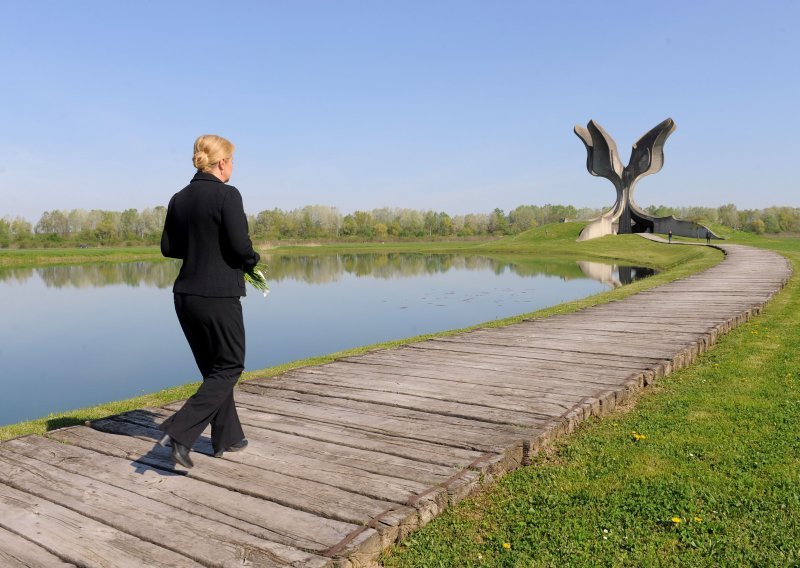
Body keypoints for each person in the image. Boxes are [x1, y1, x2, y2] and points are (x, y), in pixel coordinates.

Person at [158, 134, 260, 468]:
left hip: (185, 295)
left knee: (214, 371)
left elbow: (169, 248)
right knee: (230, 365)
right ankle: (181, 430)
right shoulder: (227, 195)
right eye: (232, 161)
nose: (233, 167)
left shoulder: (178, 198)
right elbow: (241, 247)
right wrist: (252, 262)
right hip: (217, 295)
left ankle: (228, 437)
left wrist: (201, 245)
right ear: (223, 162)